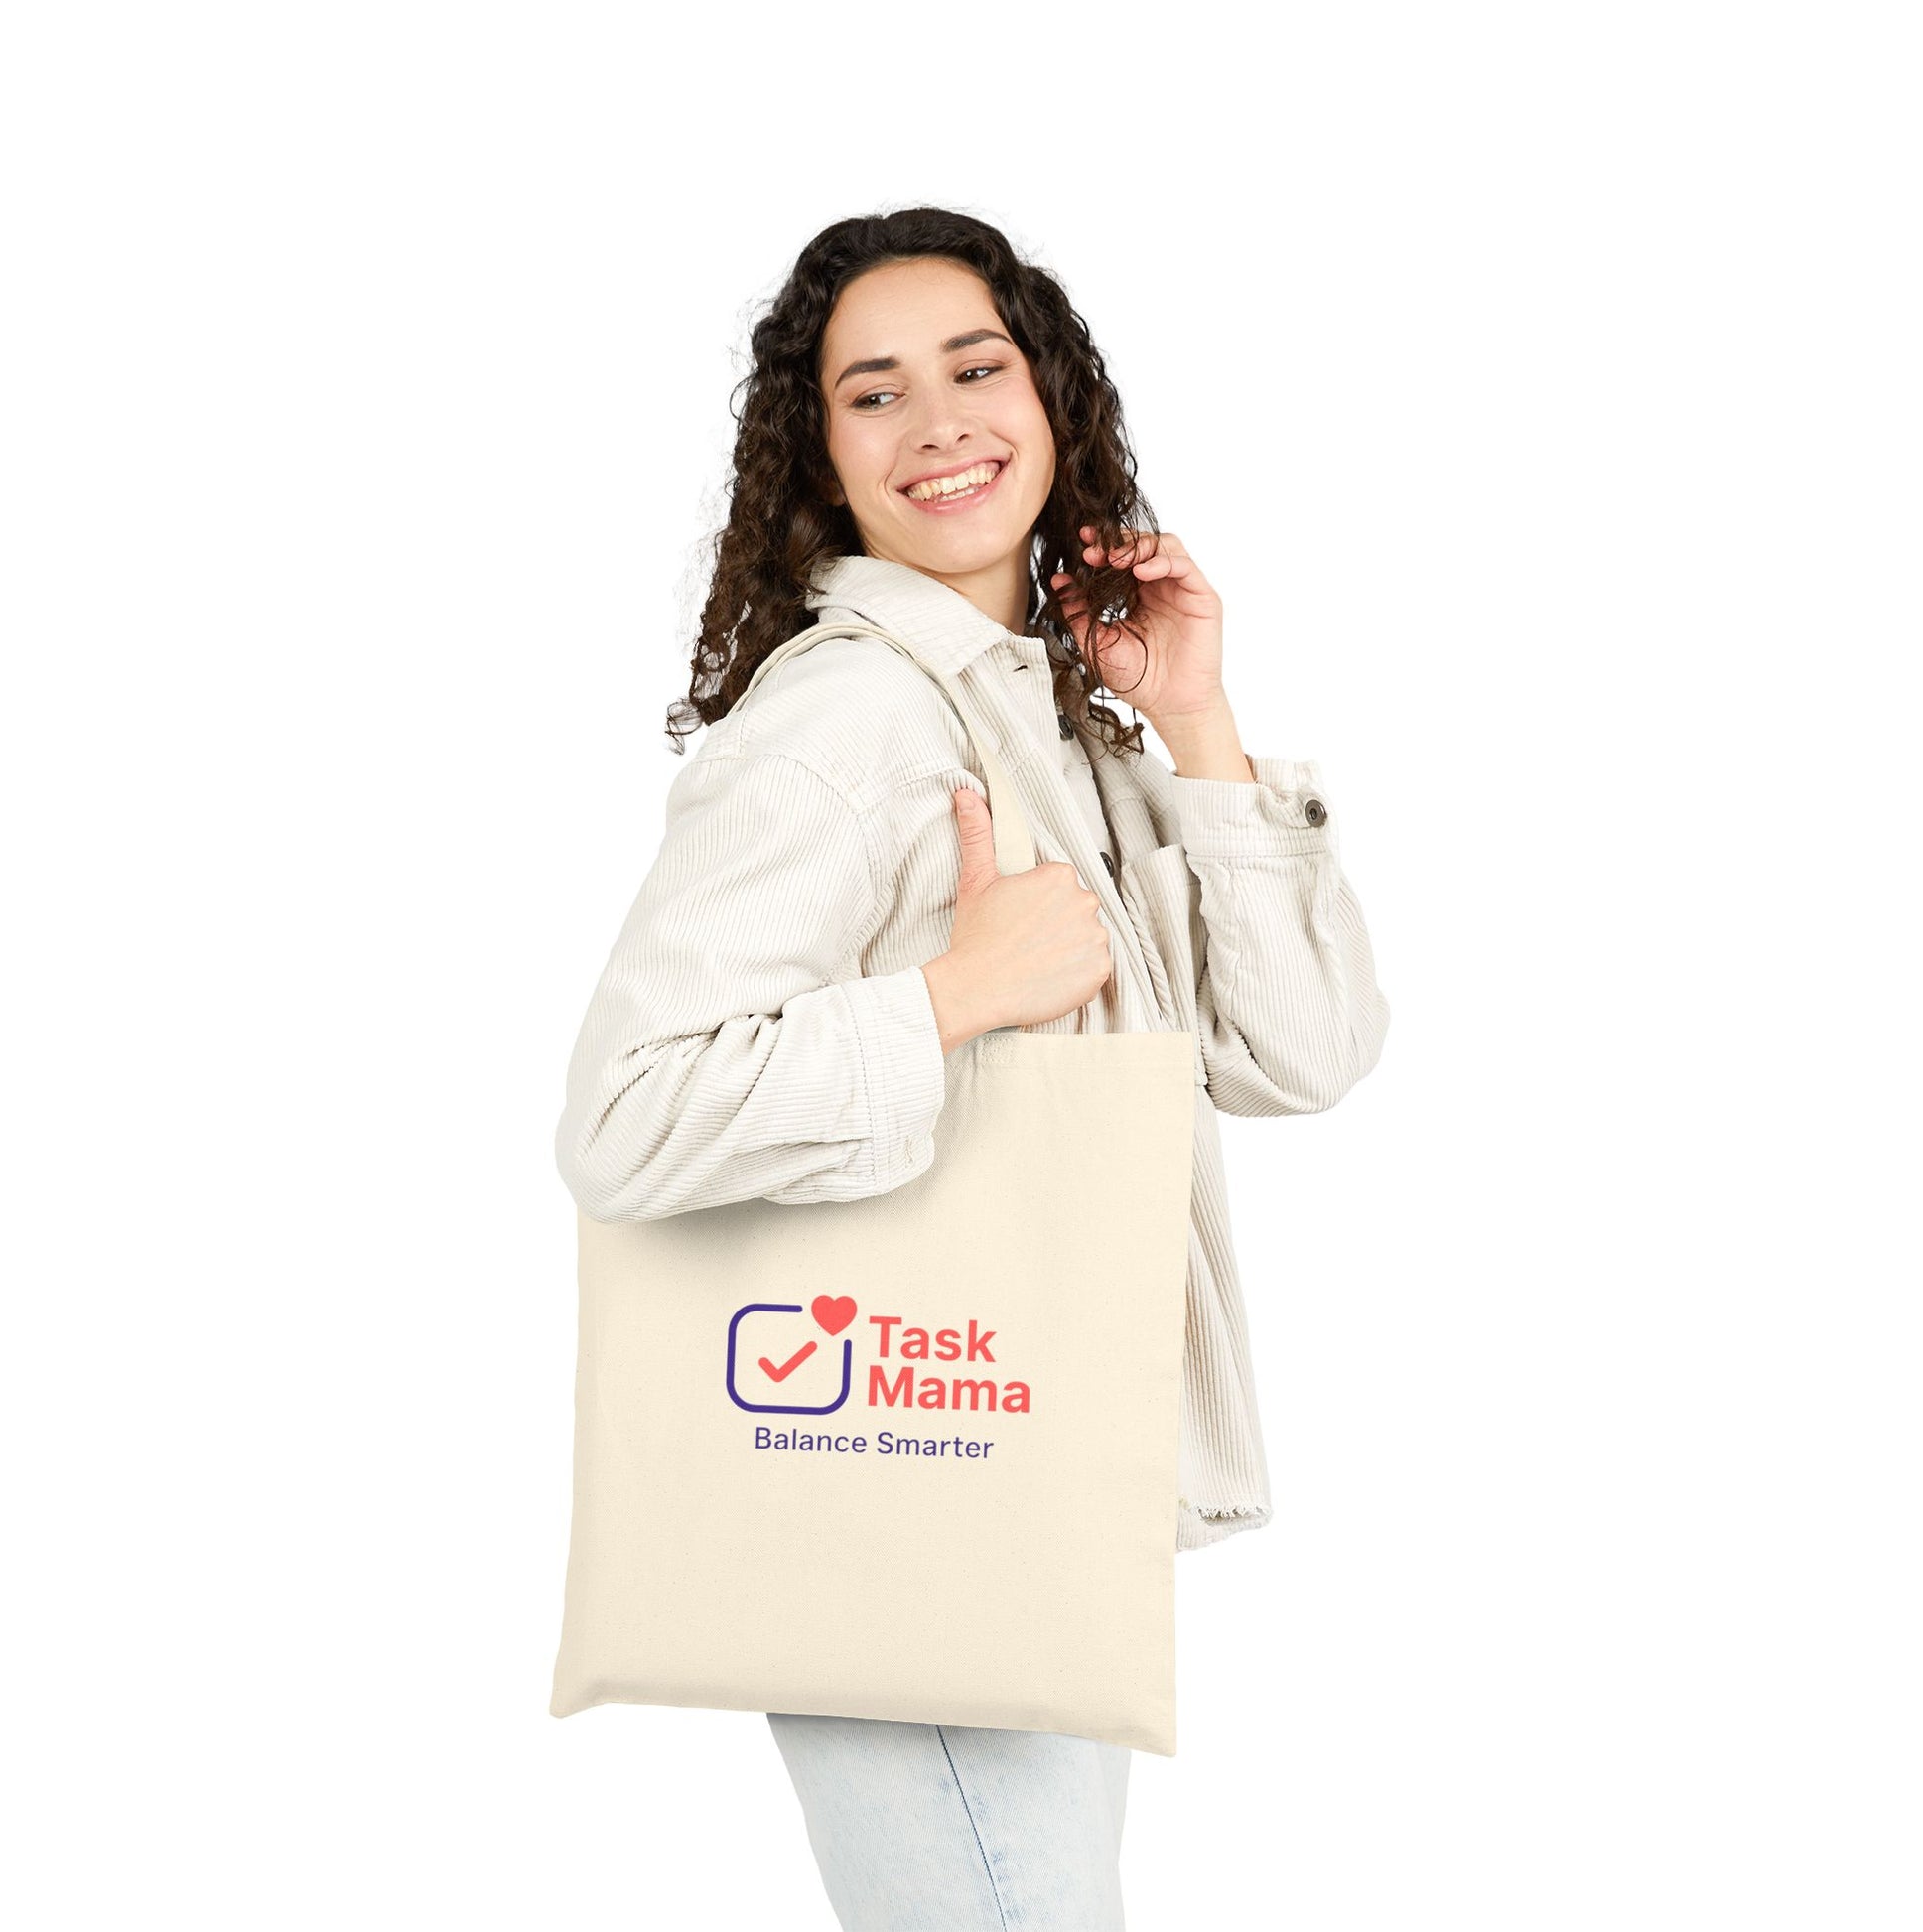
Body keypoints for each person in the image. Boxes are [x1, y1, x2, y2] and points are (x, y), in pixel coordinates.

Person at [554, 206, 1391, 1931]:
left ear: (1053, 402)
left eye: (975, 365)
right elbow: (623, 1117)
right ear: (824, 465)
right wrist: (948, 998)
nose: (937, 419)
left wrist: (1201, 729)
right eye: (873, 393)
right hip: (901, 1474)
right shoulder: (845, 720)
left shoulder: (1046, 722)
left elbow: (1301, 1056)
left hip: (1022, 1465)